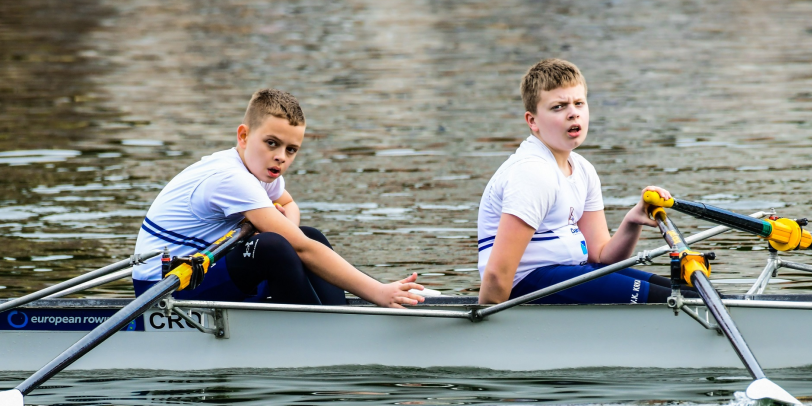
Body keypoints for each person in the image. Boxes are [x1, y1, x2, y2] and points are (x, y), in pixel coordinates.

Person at [132, 88, 424, 308]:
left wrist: (286, 231)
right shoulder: (231, 178)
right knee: (274, 246)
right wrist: (377, 291)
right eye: (272, 143)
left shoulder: (261, 169)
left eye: (291, 150)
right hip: (165, 287)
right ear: (243, 136)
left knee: (309, 235)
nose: (280, 157)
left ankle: (337, 315)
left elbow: (288, 206)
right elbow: (299, 249)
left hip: (205, 269)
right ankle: (323, 332)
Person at [477, 59, 683, 305]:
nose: (573, 112)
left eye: (578, 103)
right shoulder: (532, 173)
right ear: (532, 121)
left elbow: (601, 258)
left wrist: (632, 221)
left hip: (566, 276)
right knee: (672, 300)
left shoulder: (583, 169)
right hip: (526, 286)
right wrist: (487, 332)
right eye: (559, 107)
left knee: (682, 291)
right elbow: (497, 275)